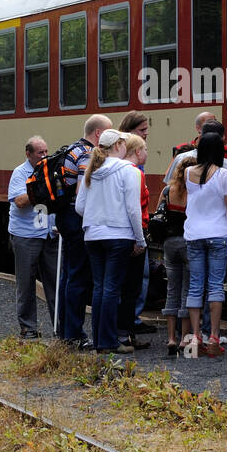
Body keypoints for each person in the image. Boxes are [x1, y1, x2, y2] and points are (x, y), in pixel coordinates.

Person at [74, 129, 144, 354]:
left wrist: (98, 214)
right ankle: (109, 342)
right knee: (113, 289)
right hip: (119, 235)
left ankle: (99, 340)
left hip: (93, 236)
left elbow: (80, 207)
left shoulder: (92, 171)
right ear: (119, 145)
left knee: (99, 288)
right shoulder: (128, 171)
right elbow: (133, 209)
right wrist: (140, 239)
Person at [183, 131, 227, 357]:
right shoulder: (224, 174)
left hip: (194, 235)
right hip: (218, 234)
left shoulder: (188, 172)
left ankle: (195, 337)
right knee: (215, 285)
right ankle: (214, 338)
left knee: (196, 285)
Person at [58, 113, 111, 345]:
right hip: (76, 218)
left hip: (64, 217)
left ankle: (64, 330)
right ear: (98, 133)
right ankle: (74, 334)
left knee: (69, 275)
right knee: (78, 277)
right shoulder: (87, 154)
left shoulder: (72, 149)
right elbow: (82, 192)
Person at [8, 136, 56, 338]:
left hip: (49, 234)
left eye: (46, 151)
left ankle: (60, 327)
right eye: (40, 153)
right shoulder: (20, 173)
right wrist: (40, 187)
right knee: (26, 283)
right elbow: (19, 201)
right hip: (26, 235)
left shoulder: (51, 170)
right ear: (28, 154)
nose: (44, 156)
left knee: (55, 282)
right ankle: (28, 328)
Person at [118, 111, 154, 331]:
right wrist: (139, 236)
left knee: (137, 276)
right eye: (142, 131)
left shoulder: (131, 162)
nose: (146, 134)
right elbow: (131, 205)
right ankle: (129, 322)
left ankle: (131, 320)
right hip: (132, 228)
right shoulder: (128, 166)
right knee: (135, 277)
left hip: (135, 225)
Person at [158, 157, 193, 355]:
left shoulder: (166, 191)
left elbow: (159, 214)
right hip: (188, 242)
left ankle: (170, 337)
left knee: (172, 290)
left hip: (170, 243)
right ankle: (184, 339)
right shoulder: (194, 192)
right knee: (187, 291)